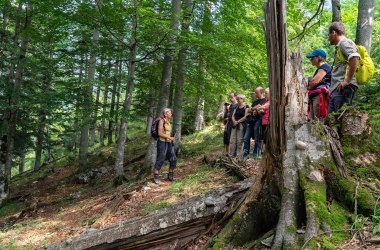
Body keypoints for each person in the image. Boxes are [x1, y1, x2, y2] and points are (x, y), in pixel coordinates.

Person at [327, 22, 360, 114]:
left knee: (340, 119)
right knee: (332, 119)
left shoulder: (344, 43)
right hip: (339, 88)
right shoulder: (340, 46)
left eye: (328, 34)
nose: (328, 37)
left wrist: (347, 81)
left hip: (344, 88)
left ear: (333, 33)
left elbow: (354, 57)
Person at [306, 49, 331, 121]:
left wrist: (307, 89)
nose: (311, 60)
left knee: (318, 118)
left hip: (320, 95)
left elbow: (315, 81)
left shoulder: (325, 66)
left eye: (313, 57)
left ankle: (320, 131)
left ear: (319, 57)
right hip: (315, 95)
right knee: (313, 119)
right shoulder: (320, 69)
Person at [153, 108, 176, 184]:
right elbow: (159, 133)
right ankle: (156, 176)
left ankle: (170, 174)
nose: (171, 114)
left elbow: (168, 133)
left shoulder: (169, 122)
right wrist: (170, 137)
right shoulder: (161, 121)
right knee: (161, 158)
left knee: (173, 158)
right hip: (162, 142)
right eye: (170, 113)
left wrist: (172, 138)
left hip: (169, 143)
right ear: (165, 114)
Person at [243, 87, 266, 160]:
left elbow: (261, 110)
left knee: (257, 139)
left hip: (258, 121)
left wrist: (255, 109)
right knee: (246, 138)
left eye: (257, 92)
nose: (255, 94)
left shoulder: (265, 101)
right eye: (255, 92)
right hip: (251, 122)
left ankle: (256, 155)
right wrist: (255, 108)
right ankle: (245, 155)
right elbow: (249, 110)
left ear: (261, 92)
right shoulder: (255, 101)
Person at [230, 94, 249, 158]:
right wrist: (234, 121)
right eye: (237, 99)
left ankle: (239, 156)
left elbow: (245, 116)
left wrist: (238, 121)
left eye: (239, 99)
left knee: (239, 141)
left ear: (243, 99)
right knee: (232, 140)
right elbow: (233, 115)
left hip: (241, 125)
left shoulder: (246, 106)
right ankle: (231, 155)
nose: (238, 100)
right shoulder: (236, 106)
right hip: (234, 125)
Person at [258, 88, 270, 153]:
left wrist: (259, 108)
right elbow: (260, 110)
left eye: (266, 93)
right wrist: (260, 109)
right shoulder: (265, 101)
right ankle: (263, 151)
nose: (265, 95)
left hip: (268, 122)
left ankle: (265, 151)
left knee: (267, 137)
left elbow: (263, 107)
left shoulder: (271, 101)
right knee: (263, 137)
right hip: (263, 122)